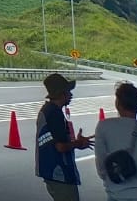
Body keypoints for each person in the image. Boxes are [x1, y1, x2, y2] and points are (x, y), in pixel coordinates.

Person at [94, 81, 137, 200]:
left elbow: (101, 165)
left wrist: (110, 179)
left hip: (117, 193)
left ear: (118, 104)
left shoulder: (104, 127)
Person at [36, 72, 94, 201]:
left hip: (50, 170)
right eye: (68, 91)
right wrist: (78, 144)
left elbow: (55, 140)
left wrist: (74, 142)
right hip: (59, 172)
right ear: (61, 94)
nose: (71, 95)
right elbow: (61, 147)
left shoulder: (47, 110)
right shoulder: (54, 114)